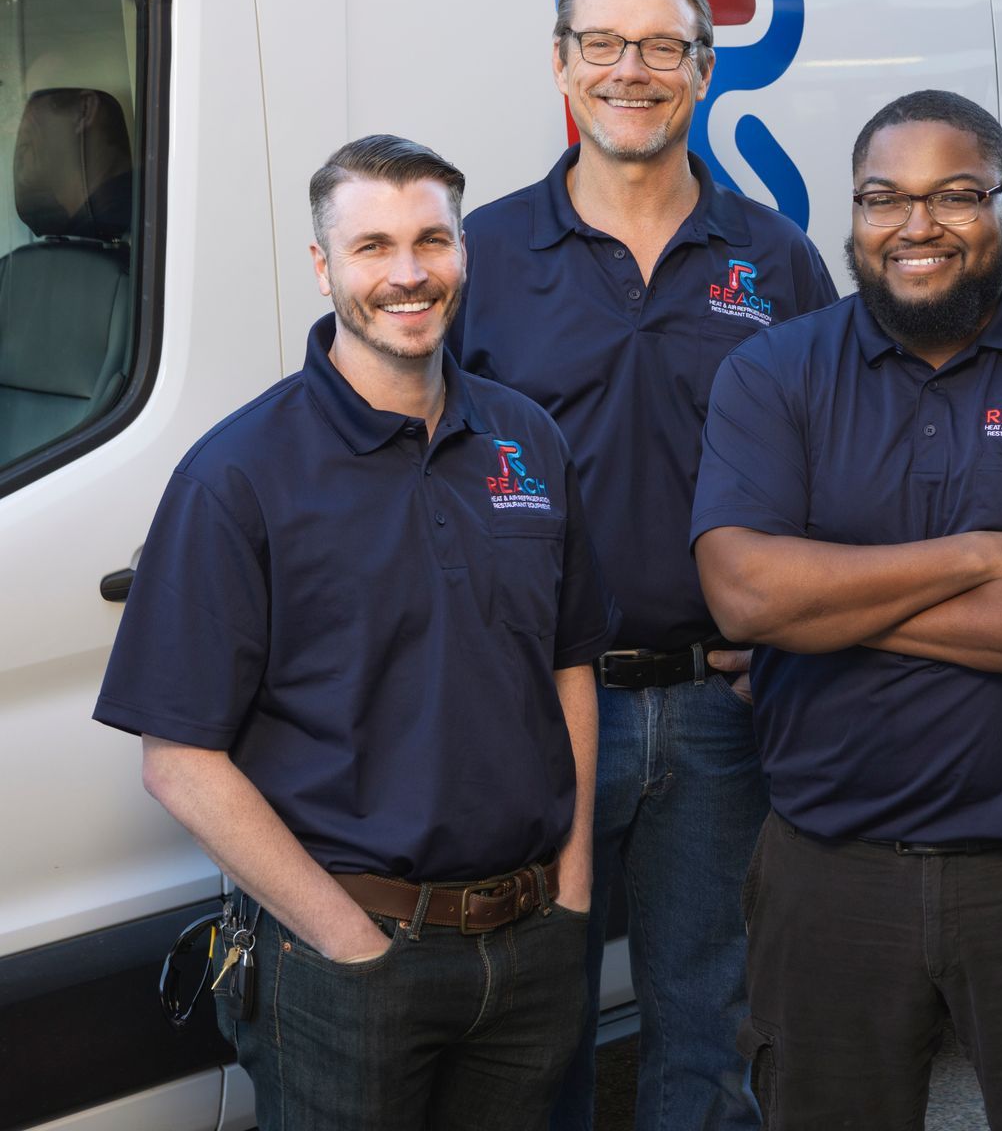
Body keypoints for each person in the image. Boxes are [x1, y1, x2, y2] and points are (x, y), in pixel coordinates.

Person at [93, 134, 615, 1130]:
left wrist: (576, 886)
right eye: (373, 246)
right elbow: (179, 758)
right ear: (324, 267)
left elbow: (570, 665)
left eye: (433, 241)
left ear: (466, 254)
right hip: (348, 962)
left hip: (532, 937)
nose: (409, 273)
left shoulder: (527, 439)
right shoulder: (237, 473)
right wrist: (347, 940)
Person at [690, 90, 1002, 1130]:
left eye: (956, 195)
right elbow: (743, 593)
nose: (917, 226)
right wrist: (979, 555)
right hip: (828, 871)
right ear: (852, 218)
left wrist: (830, 600)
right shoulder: (773, 372)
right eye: (884, 199)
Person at [454, 0, 838, 1131]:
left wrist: (790, 638)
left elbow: (840, 467)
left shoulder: (775, 259)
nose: (633, 70)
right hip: (540, 710)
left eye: (664, 46)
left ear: (706, 71)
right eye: (604, 45)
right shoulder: (484, 254)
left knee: (709, 1030)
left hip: (722, 714)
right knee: (535, 1036)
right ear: (562, 68)